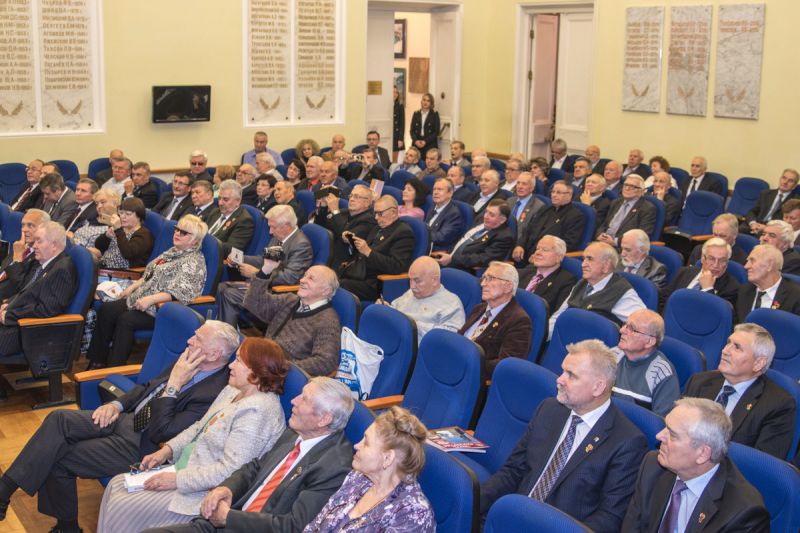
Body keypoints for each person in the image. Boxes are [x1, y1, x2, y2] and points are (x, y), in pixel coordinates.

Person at [0, 320, 237, 532]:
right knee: (59, 418)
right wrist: (116, 405)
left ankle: (66, 527)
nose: (189, 340)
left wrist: (174, 385)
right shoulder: (188, 359)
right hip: (128, 418)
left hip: (143, 446)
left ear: (214, 353)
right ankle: (4, 492)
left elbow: (162, 432)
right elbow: (147, 387)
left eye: (198, 338)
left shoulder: (213, 393)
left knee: (59, 457)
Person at [97, 338, 289, 532]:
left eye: (238, 360)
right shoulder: (233, 390)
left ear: (256, 371)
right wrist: (167, 450)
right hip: (187, 467)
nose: (231, 365)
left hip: (203, 492)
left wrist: (176, 480)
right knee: (116, 484)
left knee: (123, 503)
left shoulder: (258, 412)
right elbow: (200, 426)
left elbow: (230, 471)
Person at [142, 377, 355, 533]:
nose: (294, 401)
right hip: (225, 521)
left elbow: (294, 527)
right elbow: (254, 468)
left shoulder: (334, 467)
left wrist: (229, 518)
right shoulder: (295, 432)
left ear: (324, 419)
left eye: (304, 399)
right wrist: (227, 488)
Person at [481, 339, 648, 531]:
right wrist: (474, 501)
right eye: (562, 371)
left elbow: (609, 518)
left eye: (571, 375)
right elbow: (513, 471)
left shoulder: (627, 443)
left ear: (598, 387)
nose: (559, 380)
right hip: (514, 517)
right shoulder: (549, 409)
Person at [622, 398, 770, 532]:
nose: (659, 436)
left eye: (672, 435)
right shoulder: (653, 466)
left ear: (703, 454)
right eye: (665, 427)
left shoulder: (743, 513)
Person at [86, 215, 208, 369]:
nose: (177, 233)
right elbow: (150, 273)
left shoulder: (193, 262)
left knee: (126, 320)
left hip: (162, 308)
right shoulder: (174, 251)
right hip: (141, 296)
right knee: (107, 310)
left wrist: (150, 299)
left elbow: (181, 292)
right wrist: (132, 287)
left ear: (195, 240)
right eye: (177, 229)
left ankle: (115, 368)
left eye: (183, 233)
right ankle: (98, 360)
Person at [304, 407, 435, 532]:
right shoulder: (358, 477)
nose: (356, 445)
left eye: (366, 443)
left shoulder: (411, 515)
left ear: (387, 458)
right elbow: (316, 525)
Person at [683, 323, 796, 459]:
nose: (725, 351)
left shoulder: (777, 406)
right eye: (728, 343)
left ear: (758, 363)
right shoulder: (699, 382)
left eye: (737, 347)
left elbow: (760, 464)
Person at [217, 205, 313, 322]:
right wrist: (240, 259)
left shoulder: (301, 245)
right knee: (221, 288)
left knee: (230, 294)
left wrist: (258, 273)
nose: (270, 231)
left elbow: (289, 278)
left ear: (287, 226)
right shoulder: (279, 237)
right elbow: (263, 260)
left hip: (278, 294)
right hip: (265, 286)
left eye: (273, 227)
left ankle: (229, 331)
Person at [244, 265, 342, 376]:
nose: (302, 280)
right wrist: (265, 271)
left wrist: (283, 366)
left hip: (282, 374)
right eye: (304, 276)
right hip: (264, 360)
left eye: (311, 278)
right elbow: (253, 303)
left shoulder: (328, 320)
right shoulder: (290, 300)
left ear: (326, 291)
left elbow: (325, 362)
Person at [0, 221, 77, 356]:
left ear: (54, 245)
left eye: (39, 241)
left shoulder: (62, 269)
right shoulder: (45, 264)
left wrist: (10, 315)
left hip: (27, 330)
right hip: (16, 320)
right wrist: (9, 304)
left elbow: (47, 310)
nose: (34, 246)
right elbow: (26, 292)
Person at [549, 242, 646, 335]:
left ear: (606, 266)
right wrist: (542, 337)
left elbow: (645, 325)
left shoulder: (620, 292)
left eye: (590, 259)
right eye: (583, 259)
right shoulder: (582, 283)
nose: (583, 264)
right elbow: (558, 315)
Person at [459, 261, 532, 378]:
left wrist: (466, 365)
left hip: (474, 376)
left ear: (508, 287)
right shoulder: (479, 308)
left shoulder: (519, 321)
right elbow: (461, 336)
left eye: (490, 278)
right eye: (483, 278)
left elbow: (506, 366)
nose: (483, 284)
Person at [338, 195, 415, 301]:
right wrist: (352, 241)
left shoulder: (403, 233)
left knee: (337, 286)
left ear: (393, 212)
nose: (376, 218)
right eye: (375, 213)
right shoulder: (378, 227)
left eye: (380, 213)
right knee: (329, 278)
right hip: (359, 272)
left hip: (376, 282)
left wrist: (369, 252)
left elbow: (397, 266)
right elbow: (364, 250)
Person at [380, 256, 465, 342]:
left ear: (434, 280)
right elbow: (395, 308)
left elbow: (448, 340)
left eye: (417, 281)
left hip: (414, 346)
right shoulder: (412, 292)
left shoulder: (452, 305)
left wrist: (410, 324)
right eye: (410, 280)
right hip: (393, 337)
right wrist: (385, 308)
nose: (412, 286)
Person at [613, 309, 680, 417]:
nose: (622, 330)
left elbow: (662, 422)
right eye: (625, 325)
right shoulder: (612, 356)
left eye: (632, 329)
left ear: (649, 341)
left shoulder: (662, 373)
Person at [435, 199, 514, 271]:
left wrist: (452, 259)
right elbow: (463, 240)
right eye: (486, 212)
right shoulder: (481, 221)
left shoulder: (504, 237)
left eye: (492, 215)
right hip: (449, 258)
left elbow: (483, 259)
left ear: (502, 220)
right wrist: (447, 254)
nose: (486, 216)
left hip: (465, 268)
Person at [515, 181, 586, 259]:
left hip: (546, 258)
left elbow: (568, 244)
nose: (554, 195)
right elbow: (528, 230)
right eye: (553, 192)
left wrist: (540, 254)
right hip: (525, 253)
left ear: (569, 195)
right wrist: (520, 245)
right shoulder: (545, 209)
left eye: (558, 192)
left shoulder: (575, 216)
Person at [666, 237, 740, 310]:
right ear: (702, 258)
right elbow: (665, 299)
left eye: (722, 260)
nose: (716, 265)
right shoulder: (684, 272)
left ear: (727, 263)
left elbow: (716, 313)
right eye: (711, 259)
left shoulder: (731, 288)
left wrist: (708, 289)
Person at [736, 244, 800, 322]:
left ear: (770, 265)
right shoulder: (745, 291)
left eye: (752, 261)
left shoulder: (795, 296)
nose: (746, 266)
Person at [317, 184, 377, 267]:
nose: (351, 199)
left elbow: (345, 236)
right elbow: (320, 227)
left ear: (367, 203)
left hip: (345, 263)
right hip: (328, 252)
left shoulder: (369, 221)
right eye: (351, 196)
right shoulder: (344, 212)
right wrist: (323, 206)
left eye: (357, 197)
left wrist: (335, 211)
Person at [517, 235, 577, 314]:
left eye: (544, 250)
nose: (537, 252)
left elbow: (556, 313)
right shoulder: (522, 273)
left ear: (559, 257)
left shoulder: (566, 281)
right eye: (537, 249)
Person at [90, 197, 155, 269]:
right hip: (103, 265)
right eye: (121, 213)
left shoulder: (144, 234)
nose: (123, 217)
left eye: (128, 214)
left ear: (139, 216)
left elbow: (128, 253)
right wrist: (106, 236)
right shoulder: (121, 229)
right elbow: (98, 246)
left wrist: (119, 230)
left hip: (122, 272)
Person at [0, 209, 50, 301]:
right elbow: (3, 269)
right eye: (23, 225)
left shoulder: (42, 257)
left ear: (44, 229)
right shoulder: (21, 246)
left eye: (30, 225)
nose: (24, 229)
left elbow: (22, 288)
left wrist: (17, 259)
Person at [596, 174, 657, 246]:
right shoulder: (616, 202)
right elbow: (605, 224)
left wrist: (615, 242)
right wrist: (600, 234)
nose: (627, 188)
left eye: (632, 186)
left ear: (641, 191)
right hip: (603, 242)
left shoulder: (647, 208)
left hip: (623, 247)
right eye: (626, 185)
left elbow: (642, 236)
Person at [743, 168, 799, 235]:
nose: (785, 182)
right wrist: (753, 223)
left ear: (794, 186)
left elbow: (788, 223)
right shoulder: (766, 193)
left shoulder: (795, 201)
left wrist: (766, 228)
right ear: (780, 179)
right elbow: (752, 211)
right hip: (755, 225)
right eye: (784, 178)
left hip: (774, 232)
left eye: (790, 181)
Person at [207, 180, 255, 256]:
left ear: (237, 201)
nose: (220, 203)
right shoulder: (215, 212)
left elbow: (231, 249)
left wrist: (205, 242)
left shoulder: (244, 221)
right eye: (219, 198)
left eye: (225, 199)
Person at [425, 177, 464, 251]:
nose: (435, 192)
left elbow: (441, 238)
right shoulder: (432, 207)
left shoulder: (453, 214)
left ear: (450, 193)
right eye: (434, 189)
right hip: (426, 243)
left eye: (440, 189)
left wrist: (421, 234)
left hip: (436, 250)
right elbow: (426, 225)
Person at [507, 171, 546, 243]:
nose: (520, 186)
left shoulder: (538, 207)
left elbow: (532, 233)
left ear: (532, 188)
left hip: (520, 243)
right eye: (518, 183)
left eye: (524, 184)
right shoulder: (509, 201)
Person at [409, 93, 440, 162]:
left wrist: (425, 141)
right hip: (417, 143)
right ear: (421, 101)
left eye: (428, 101)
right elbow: (412, 130)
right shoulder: (416, 113)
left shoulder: (434, 114)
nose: (425, 102)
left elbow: (436, 131)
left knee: (428, 164)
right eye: (424, 100)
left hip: (429, 144)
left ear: (431, 103)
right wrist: (415, 141)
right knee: (415, 163)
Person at [392, 87, 405, 163]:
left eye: (396, 92)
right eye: (393, 92)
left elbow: (402, 124)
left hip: (396, 136)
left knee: (394, 160)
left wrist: (400, 139)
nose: (395, 94)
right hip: (387, 135)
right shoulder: (384, 105)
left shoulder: (400, 106)